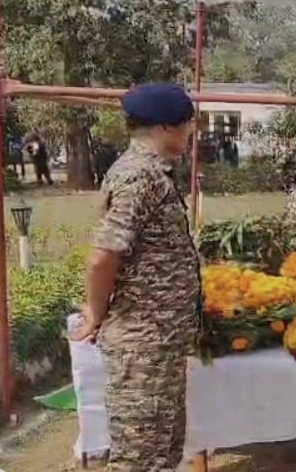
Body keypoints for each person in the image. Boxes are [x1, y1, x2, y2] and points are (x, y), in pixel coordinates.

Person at [70, 82, 201, 472]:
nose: (191, 131)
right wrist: (95, 312)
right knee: (140, 459)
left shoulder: (153, 172)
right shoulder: (139, 176)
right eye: (188, 123)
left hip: (161, 341)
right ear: (165, 127)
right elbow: (103, 256)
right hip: (143, 345)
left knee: (163, 453)